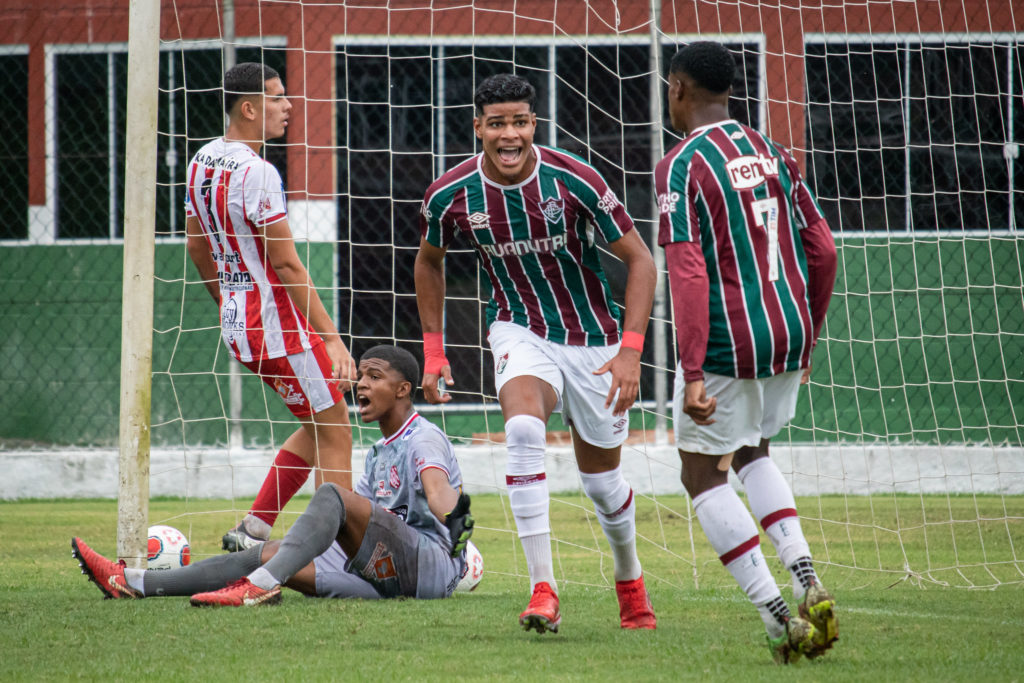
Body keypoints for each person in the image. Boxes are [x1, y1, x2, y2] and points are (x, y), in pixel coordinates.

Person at [414, 73, 658, 633]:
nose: (509, 135)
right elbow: (429, 262)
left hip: (595, 339)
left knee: (603, 485)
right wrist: (433, 351)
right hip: (518, 328)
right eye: (496, 123)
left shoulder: (575, 180)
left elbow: (642, 261)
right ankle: (542, 589)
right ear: (478, 128)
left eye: (519, 122)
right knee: (523, 431)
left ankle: (629, 579)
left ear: (533, 125)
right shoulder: (450, 194)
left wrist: (631, 352)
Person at [656, 42, 840, 663]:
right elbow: (824, 250)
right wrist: (808, 331)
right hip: (788, 328)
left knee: (701, 473)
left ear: (677, 88)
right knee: (754, 450)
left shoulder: (680, 166)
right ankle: (807, 575)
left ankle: (777, 613)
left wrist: (690, 372)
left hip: (729, 342)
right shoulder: (774, 152)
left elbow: (685, 272)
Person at [72, 346, 475, 604]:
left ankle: (261, 586)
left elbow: (437, 489)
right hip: (386, 575)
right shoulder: (377, 451)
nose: (360, 384)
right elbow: (365, 517)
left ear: (403, 389)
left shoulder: (422, 439)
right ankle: (133, 582)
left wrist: (454, 515)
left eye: (374, 376)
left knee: (333, 494)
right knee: (266, 554)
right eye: (362, 375)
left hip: (428, 569)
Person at [184, 62, 356, 553]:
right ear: (249, 107)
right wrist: (331, 338)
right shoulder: (259, 171)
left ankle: (255, 527)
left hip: (240, 325)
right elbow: (286, 265)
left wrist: (227, 300)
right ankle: (338, 554)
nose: (289, 106)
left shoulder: (202, 160)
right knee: (336, 431)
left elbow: (197, 246)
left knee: (319, 418)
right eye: (278, 97)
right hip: (281, 328)